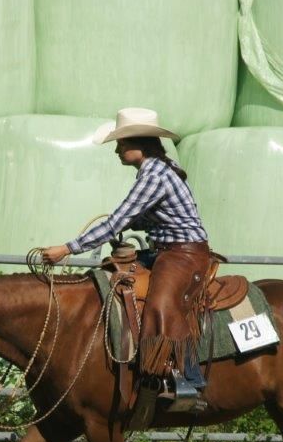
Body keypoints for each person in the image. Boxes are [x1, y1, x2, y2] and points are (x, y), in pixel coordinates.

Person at [40, 108, 211, 420]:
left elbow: (116, 222)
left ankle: (190, 381)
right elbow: (140, 218)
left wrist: (67, 249)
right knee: (116, 279)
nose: (117, 150)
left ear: (139, 144)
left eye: (121, 144)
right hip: (166, 250)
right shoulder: (154, 170)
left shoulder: (154, 175)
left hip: (184, 254)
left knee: (161, 302)